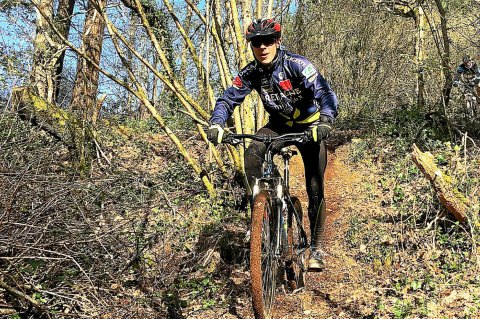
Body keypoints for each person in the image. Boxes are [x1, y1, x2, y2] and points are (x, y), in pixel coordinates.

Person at [206, 18, 338, 270]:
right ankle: (266, 212)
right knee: (252, 155)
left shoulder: (297, 65)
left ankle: (316, 248)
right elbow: (227, 99)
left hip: (310, 126)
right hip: (278, 124)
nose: (262, 47)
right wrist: (217, 124)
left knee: (315, 187)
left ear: (277, 41)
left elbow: (324, 91)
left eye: (268, 41)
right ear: (251, 46)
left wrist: (325, 120)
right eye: (257, 42)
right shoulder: (251, 72)